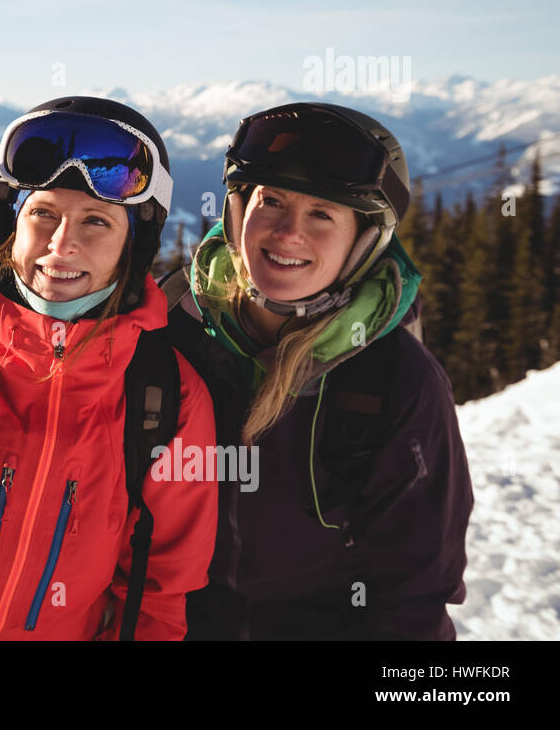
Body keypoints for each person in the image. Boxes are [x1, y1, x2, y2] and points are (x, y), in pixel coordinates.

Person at [0, 97, 217, 639]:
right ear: (11, 224)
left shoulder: (167, 398)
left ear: (131, 246)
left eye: (96, 221)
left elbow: (158, 590)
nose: (61, 244)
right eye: (43, 213)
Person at [171, 102, 473, 640]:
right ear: (238, 213)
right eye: (273, 202)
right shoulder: (173, 333)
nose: (289, 232)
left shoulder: (395, 381)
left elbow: (414, 595)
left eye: (322, 214)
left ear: (362, 241)